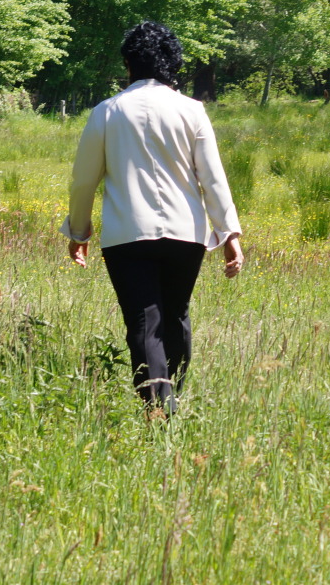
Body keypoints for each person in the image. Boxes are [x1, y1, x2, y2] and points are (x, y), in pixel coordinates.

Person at [62, 21, 245, 413]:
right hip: (186, 235)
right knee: (175, 315)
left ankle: (159, 411)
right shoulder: (191, 110)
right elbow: (213, 178)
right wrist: (229, 235)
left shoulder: (107, 112)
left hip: (128, 235)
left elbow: (83, 181)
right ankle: (171, 394)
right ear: (171, 63)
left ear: (128, 63)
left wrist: (79, 231)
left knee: (144, 322)